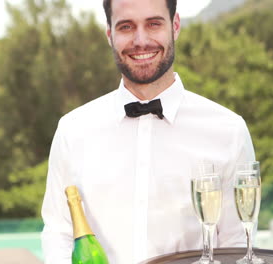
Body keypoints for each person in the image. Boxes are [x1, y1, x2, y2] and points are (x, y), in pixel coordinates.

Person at [40, 0, 256, 263]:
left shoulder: (229, 131)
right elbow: (59, 233)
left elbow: (236, 246)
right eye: (126, 26)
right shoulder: (72, 130)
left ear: (175, 26)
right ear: (110, 35)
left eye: (153, 24)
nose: (140, 40)